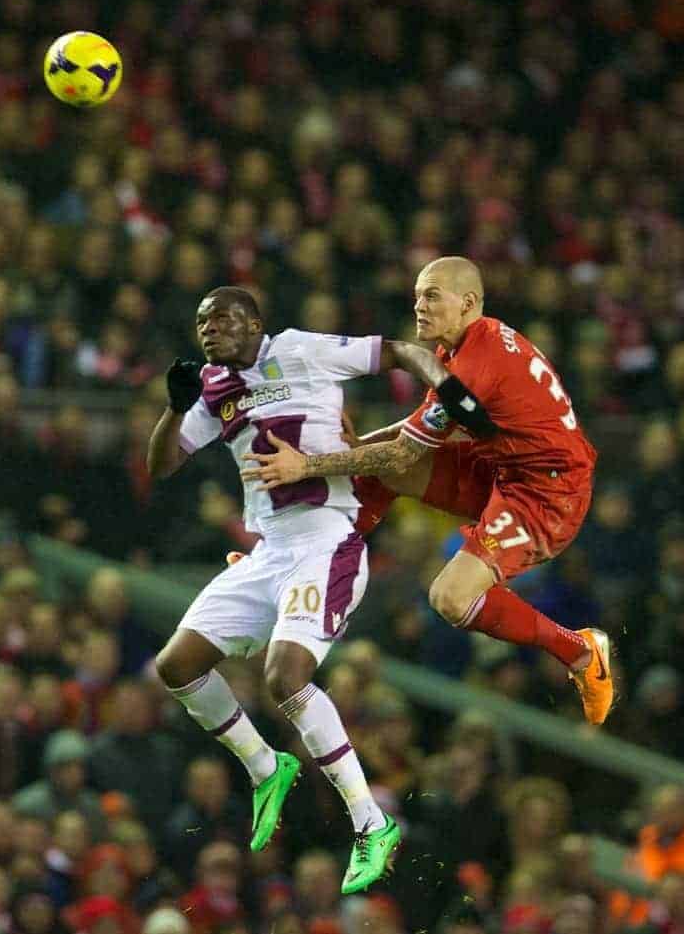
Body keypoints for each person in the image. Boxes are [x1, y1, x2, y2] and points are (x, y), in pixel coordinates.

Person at [148, 286, 482, 894]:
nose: (210, 330)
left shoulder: (302, 350)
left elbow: (403, 351)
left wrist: (449, 387)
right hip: (266, 553)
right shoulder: (215, 390)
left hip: (325, 541)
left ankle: (371, 821)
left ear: (256, 321)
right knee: (177, 665)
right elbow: (161, 465)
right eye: (201, 322)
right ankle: (264, 766)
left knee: (285, 678)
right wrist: (174, 409)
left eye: (222, 318)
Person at [241, 257, 614, 726]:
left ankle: (580, 651)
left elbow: (402, 453)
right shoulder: (461, 346)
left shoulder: (476, 364)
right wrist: (363, 447)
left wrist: (308, 465)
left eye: (432, 295)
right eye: (418, 294)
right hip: (502, 466)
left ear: (469, 303)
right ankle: (299, 560)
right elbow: (412, 440)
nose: (419, 305)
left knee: (451, 598)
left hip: (547, 494)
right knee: (375, 469)